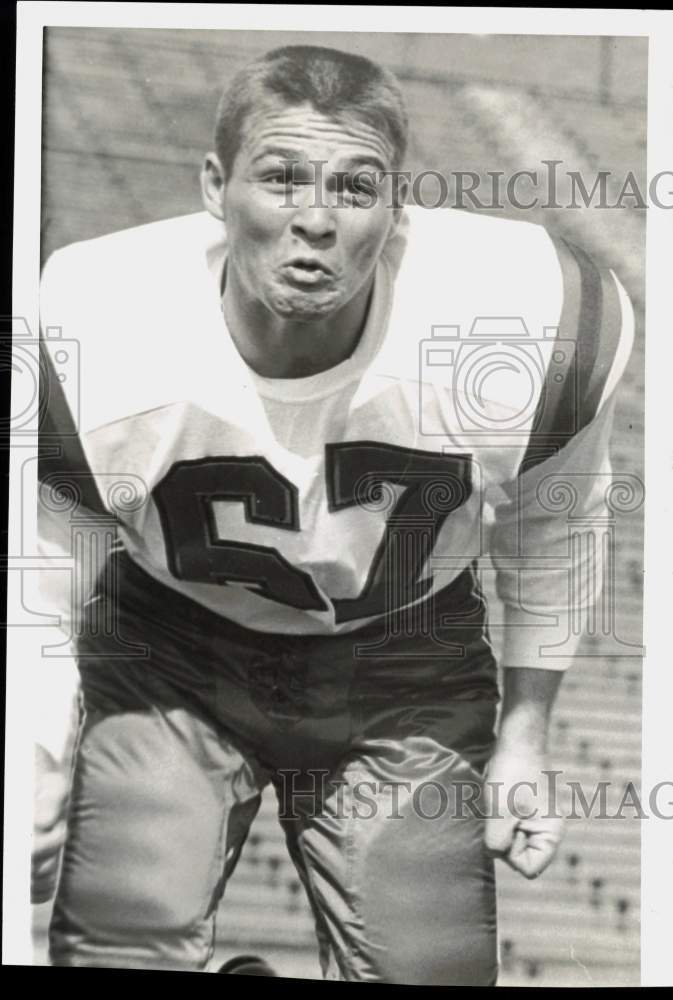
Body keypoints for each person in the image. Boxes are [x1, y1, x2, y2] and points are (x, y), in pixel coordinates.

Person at [34, 44, 634, 982]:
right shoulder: (102, 319)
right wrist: (28, 761)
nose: (314, 219)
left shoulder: (517, 320)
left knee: (431, 970)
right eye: (280, 179)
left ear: (399, 209)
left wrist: (524, 736)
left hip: (405, 659)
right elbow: (41, 565)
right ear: (212, 185)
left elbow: (554, 522)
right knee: (123, 937)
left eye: (355, 188)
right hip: (173, 654)